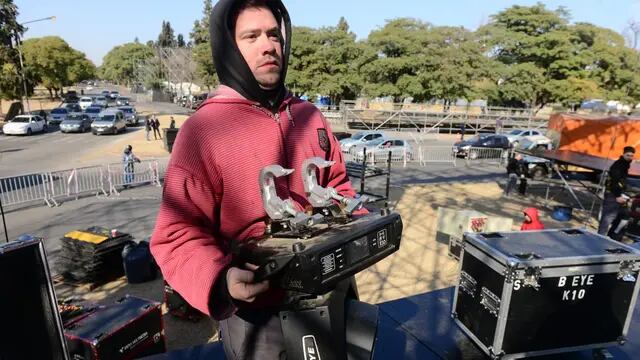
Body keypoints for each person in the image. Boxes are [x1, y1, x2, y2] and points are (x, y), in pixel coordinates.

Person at [149, 1, 361, 359]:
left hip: (334, 292)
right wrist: (220, 279)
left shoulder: (311, 116)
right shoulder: (202, 132)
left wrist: (358, 221)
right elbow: (176, 237)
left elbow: (338, 186)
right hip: (259, 319)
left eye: (274, 34)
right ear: (229, 47)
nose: (268, 45)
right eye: (251, 36)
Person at [598, 146, 636, 235]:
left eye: (631, 156)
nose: (630, 157)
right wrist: (618, 196)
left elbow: (621, 181)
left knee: (622, 216)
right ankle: (600, 236)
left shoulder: (625, 165)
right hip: (612, 194)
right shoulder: (618, 165)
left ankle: (612, 235)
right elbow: (614, 182)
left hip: (619, 193)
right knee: (607, 218)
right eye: (628, 155)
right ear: (623, 154)